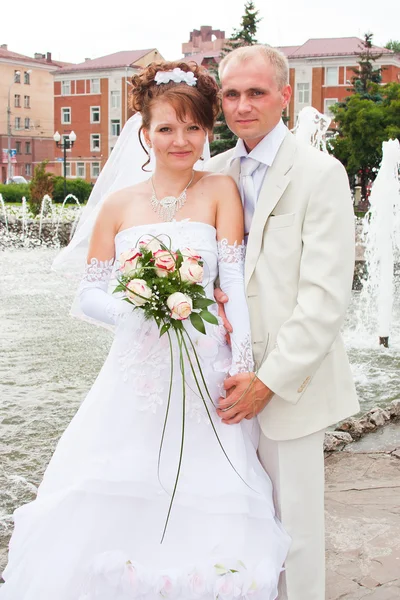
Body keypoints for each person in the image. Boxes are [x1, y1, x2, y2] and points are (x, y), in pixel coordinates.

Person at [0, 61, 290, 600]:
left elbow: (234, 285)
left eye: (193, 128)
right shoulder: (117, 205)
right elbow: (88, 294)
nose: (180, 140)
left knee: (211, 489)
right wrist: (138, 310)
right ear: (144, 132)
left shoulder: (221, 190)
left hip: (208, 367)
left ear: (207, 132)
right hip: (135, 369)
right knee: (120, 478)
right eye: (166, 128)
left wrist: (244, 365)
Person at [206, 45, 359, 600]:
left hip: (287, 389)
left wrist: (267, 382)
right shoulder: (212, 172)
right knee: (229, 527)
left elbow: (323, 300)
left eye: (256, 92)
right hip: (219, 383)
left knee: (293, 535)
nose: (242, 105)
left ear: (285, 96)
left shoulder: (321, 174)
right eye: (231, 93)